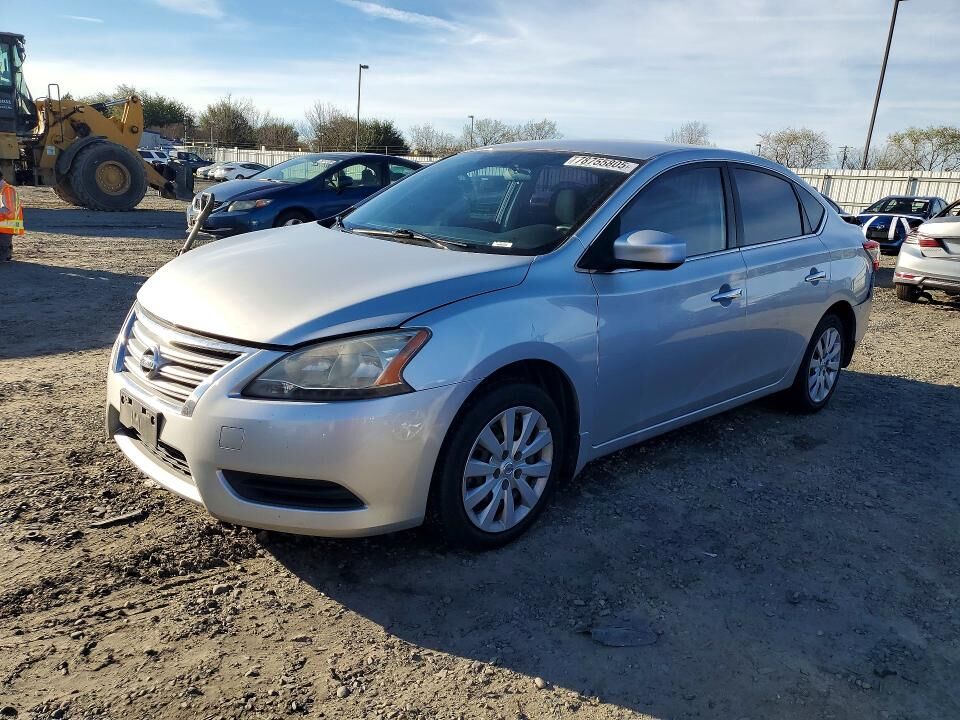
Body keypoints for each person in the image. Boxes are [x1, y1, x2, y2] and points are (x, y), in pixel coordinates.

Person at [0, 171, 24, 261]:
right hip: (3, 226)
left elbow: (10, 211)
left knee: (2, 256)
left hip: (7, 227)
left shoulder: (8, 190)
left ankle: (6, 252)